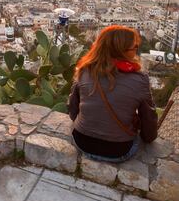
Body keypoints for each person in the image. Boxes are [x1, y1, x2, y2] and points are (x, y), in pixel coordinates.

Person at [68, 25, 158, 163]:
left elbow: (73, 108)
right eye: (134, 47)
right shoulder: (140, 79)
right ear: (121, 51)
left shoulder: (84, 70)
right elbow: (148, 118)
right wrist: (149, 138)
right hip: (118, 150)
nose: (136, 50)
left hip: (81, 142)